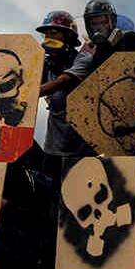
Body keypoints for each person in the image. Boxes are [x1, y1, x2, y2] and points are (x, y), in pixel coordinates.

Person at [36, 11, 93, 172]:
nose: (49, 38)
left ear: (68, 36)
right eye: (46, 34)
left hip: (81, 149)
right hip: (53, 147)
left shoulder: (82, 60)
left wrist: (30, 93)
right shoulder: (48, 64)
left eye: (54, 32)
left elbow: (63, 81)